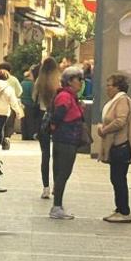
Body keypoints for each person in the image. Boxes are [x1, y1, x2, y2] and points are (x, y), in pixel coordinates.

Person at [97, 74, 131, 224]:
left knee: (119, 179)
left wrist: (104, 129)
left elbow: (120, 121)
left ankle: (124, 211)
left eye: (109, 85)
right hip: (116, 145)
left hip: (121, 145)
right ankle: (119, 208)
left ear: (118, 87)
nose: (107, 88)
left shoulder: (122, 100)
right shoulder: (116, 101)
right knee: (116, 178)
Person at [47, 66, 86, 219]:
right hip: (65, 140)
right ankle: (57, 207)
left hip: (65, 139)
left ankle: (58, 206)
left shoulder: (69, 96)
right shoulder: (65, 97)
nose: (81, 83)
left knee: (61, 172)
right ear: (70, 81)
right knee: (63, 172)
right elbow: (58, 116)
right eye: (79, 79)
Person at [34, 58, 60, 199]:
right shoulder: (58, 84)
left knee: (45, 155)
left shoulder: (39, 83)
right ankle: (57, 185)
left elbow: (35, 104)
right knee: (57, 155)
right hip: (56, 120)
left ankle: (45, 187)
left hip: (42, 121)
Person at [0, 69, 22, 152]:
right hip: (3, 111)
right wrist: (18, 112)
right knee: (0, 127)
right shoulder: (9, 88)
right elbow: (13, 101)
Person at [19, 67, 36, 140]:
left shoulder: (22, 83)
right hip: (29, 103)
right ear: (29, 76)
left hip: (22, 104)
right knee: (30, 120)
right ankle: (30, 135)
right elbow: (33, 95)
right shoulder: (31, 84)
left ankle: (24, 135)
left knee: (23, 120)